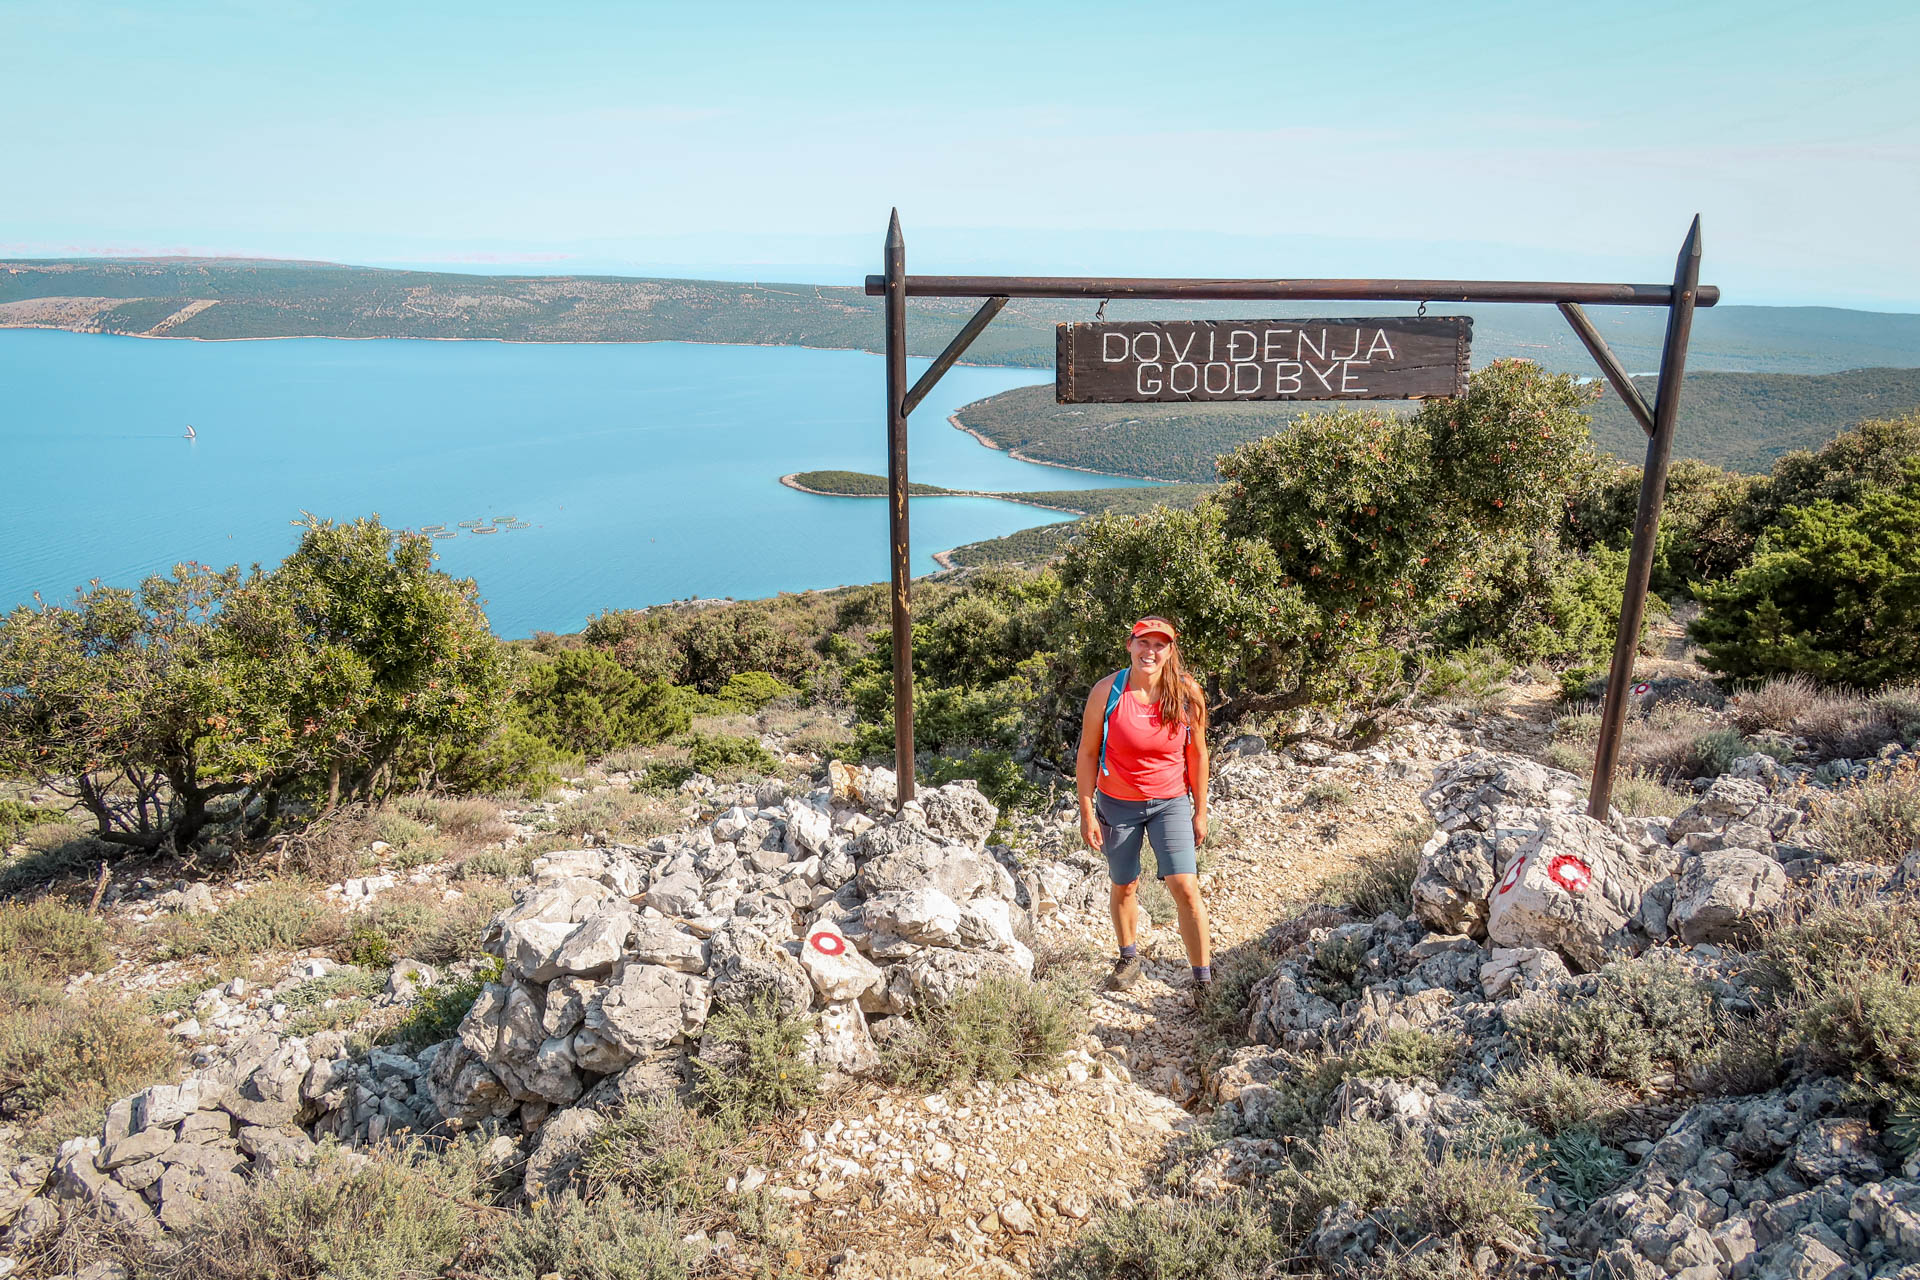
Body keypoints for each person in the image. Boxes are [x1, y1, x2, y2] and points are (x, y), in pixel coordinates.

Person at [1074, 615, 1213, 1007]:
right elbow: (1086, 753)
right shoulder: (1108, 691)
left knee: (1185, 886)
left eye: (1160, 645)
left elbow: (1198, 754)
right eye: (1143, 643)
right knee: (1126, 883)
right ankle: (1128, 958)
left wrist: (1200, 810)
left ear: (1170, 651)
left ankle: (1203, 981)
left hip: (1169, 802)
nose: (1150, 652)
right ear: (1130, 645)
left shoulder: (1187, 693)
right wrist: (1087, 811)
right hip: (1117, 804)